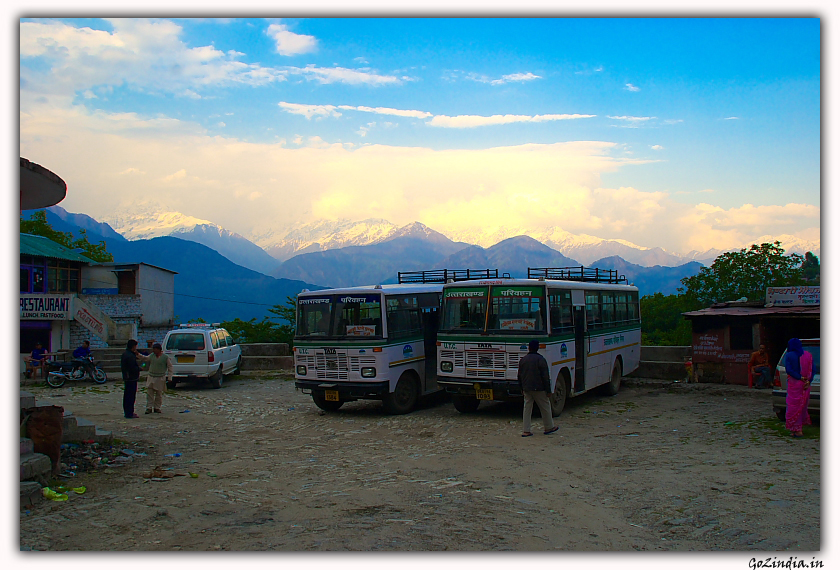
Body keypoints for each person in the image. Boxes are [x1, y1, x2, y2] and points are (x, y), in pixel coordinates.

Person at [517, 339, 559, 437]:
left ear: (529, 348)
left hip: (527, 388)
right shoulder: (541, 359)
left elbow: (519, 376)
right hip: (539, 388)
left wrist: (522, 388)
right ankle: (549, 427)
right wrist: (548, 390)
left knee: (527, 408)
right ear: (538, 347)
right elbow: (545, 377)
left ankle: (526, 430)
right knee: (545, 407)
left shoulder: (523, 360)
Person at [784, 338, 811, 438]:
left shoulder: (789, 355)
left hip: (794, 384)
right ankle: (798, 429)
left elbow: (789, 370)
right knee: (801, 406)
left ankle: (795, 429)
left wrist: (800, 377)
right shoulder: (808, 355)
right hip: (805, 385)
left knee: (793, 407)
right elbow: (812, 370)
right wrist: (808, 380)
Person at [136, 343, 172, 414]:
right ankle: (149, 407)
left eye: (155, 349)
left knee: (158, 394)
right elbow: (145, 358)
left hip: (160, 377)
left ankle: (157, 407)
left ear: (159, 350)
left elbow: (170, 367)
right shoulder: (152, 356)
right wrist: (138, 354)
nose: (154, 351)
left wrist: (170, 377)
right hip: (151, 376)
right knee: (150, 393)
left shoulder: (165, 357)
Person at [120, 339, 142, 419]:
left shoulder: (125, 354)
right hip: (131, 378)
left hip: (127, 378)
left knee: (127, 395)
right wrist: (139, 368)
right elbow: (132, 367)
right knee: (130, 396)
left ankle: (127, 412)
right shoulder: (130, 356)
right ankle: (130, 412)